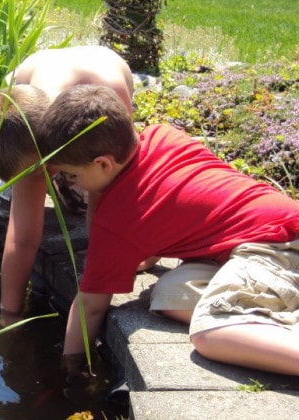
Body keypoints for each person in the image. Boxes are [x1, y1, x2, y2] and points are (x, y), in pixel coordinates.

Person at [37, 84, 299, 376]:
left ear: (103, 164)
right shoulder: (162, 135)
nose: (72, 183)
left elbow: (91, 306)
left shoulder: (121, 219)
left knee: (209, 330)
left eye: (73, 175)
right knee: (167, 295)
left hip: (278, 245)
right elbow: (166, 217)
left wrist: (71, 368)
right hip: (266, 234)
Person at [0, 46, 150, 322]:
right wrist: (9, 314)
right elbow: (21, 239)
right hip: (27, 90)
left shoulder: (104, 109)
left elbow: (106, 191)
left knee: (89, 196)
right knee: (5, 201)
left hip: (96, 81)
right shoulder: (31, 125)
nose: (43, 178)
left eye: (44, 170)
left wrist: (104, 257)